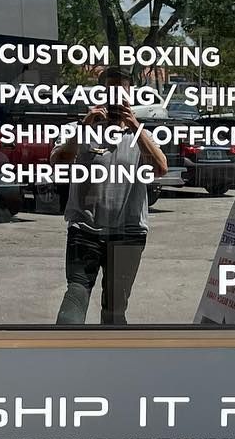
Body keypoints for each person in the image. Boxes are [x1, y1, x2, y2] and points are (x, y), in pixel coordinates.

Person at [51, 70, 168, 325]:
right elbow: (58, 161)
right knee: (76, 294)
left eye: (122, 92)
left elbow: (161, 168)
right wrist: (85, 127)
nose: (116, 98)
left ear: (130, 96)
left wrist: (136, 127)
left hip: (129, 231)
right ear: (101, 94)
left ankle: (113, 358)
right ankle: (64, 353)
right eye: (110, 91)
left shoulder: (141, 135)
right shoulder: (79, 129)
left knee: (115, 308)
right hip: (85, 229)